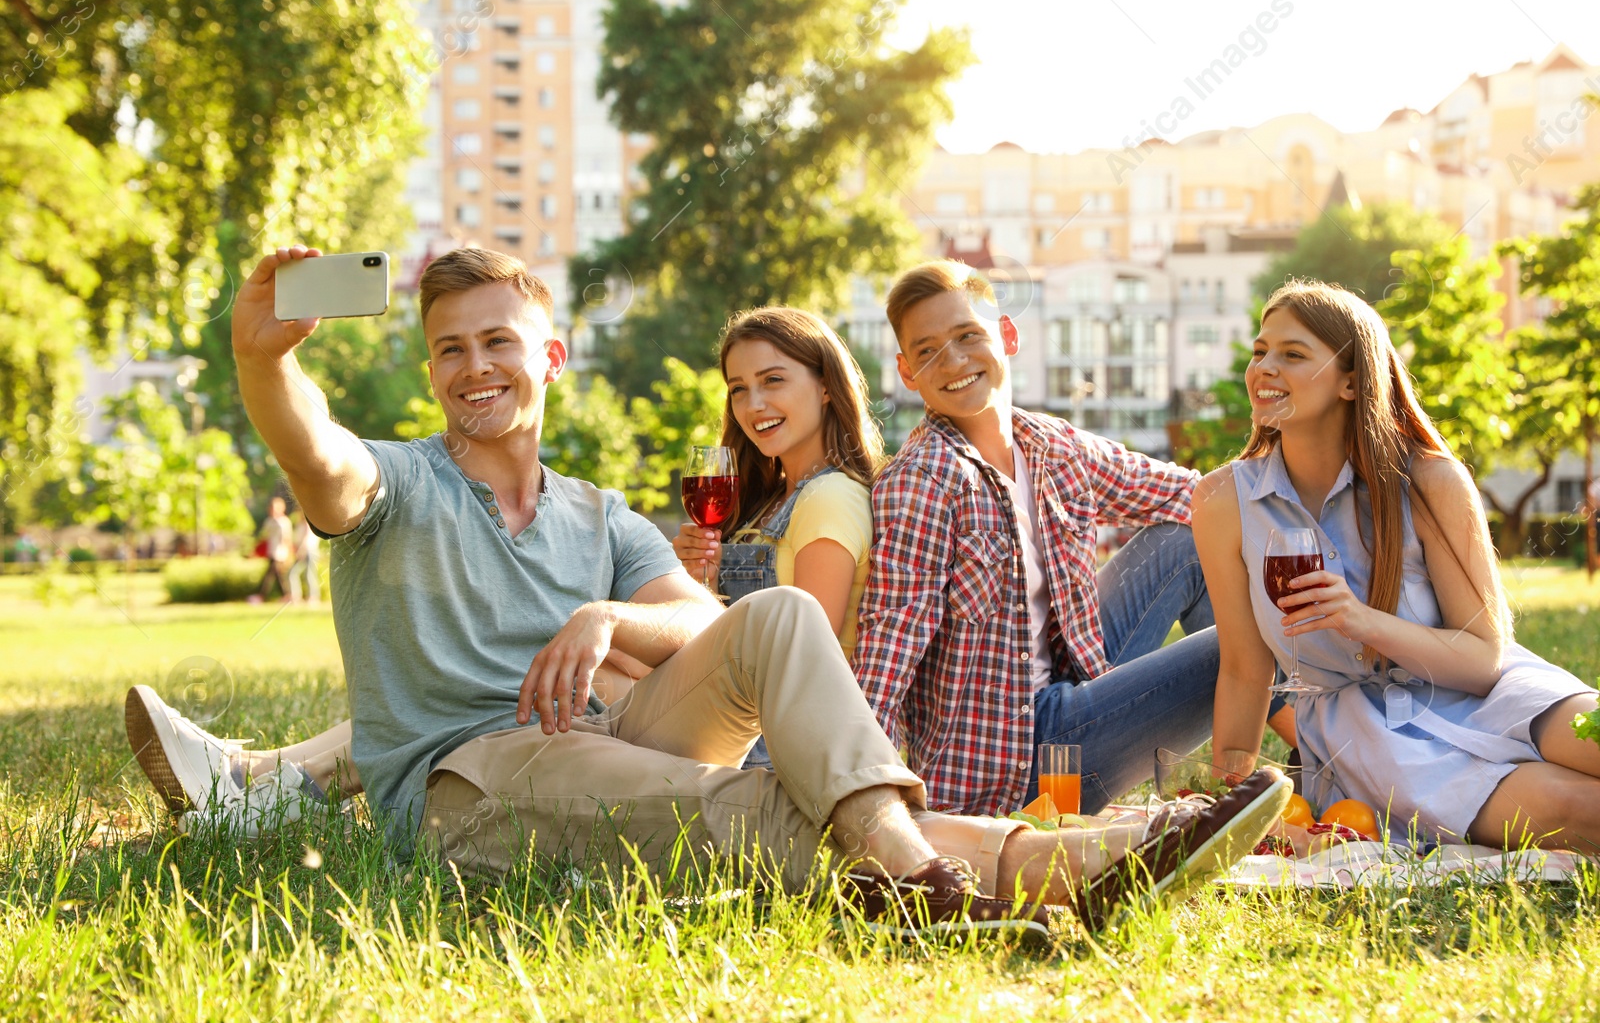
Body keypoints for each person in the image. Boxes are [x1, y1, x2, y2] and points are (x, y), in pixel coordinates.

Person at [124, 244, 1290, 938]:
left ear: (549, 359)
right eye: (449, 351)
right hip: (469, 777)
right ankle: (1048, 863)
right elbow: (317, 457)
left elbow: (708, 620)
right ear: (430, 369)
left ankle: (934, 863)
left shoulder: (596, 512)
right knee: (740, 815)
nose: (474, 367)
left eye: (498, 342)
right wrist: (263, 363)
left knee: (776, 617)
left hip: (596, 729)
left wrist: (609, 616)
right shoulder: (398, 486)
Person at [854, 260, 1295, 819]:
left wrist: (1323, 519)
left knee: (1188, 538)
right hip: (1022, 762)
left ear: (1008, 335)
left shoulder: (1047, 443)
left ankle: (1308, 743)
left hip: (1075, 691)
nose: (955, 361)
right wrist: (871, 808)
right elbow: (888, 655)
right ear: (907, 372)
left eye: (968, 336)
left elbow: (1197, 495)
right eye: (928, 351)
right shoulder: (923, 481)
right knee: (1240, 640)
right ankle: (1271, 785)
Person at [1194, 280, 1600, 851]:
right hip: (1367, 740)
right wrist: (1225, 810)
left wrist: (1360, 620)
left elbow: (1484, 660)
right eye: (1260, 351)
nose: (1264, 367)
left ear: (1353, 382)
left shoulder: (1430, 481)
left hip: (1491, 694)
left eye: (1292, 353)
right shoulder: (1221, 503)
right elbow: (1242, 670)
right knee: (1583, 810)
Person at [672, 307, 882, 769]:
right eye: (739, 390)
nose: (753, 405)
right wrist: (700, 578)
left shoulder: (830, 497)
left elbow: (807, 659)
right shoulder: (765, 503)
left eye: (773, 380)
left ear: (826, 385)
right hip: (737, 721)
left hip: (774, 748)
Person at [253, 496, 293, 602]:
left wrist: (288, 553)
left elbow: (287, 538)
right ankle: (286, 595)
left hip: (280, 552)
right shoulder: (269, 521)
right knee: (277, 575)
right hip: (271, 551)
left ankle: (262, 596)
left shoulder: (284, 522)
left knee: (270, 575)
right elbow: (264, 536)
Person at [285, 510, 320, 605]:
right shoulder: (299, 525)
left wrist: (301, 550)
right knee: (292, 573)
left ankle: (313, 597)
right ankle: (295, 596)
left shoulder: (309, 524)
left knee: (309, 574)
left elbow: (306, 538)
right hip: (301, 551)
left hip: (309, 551)